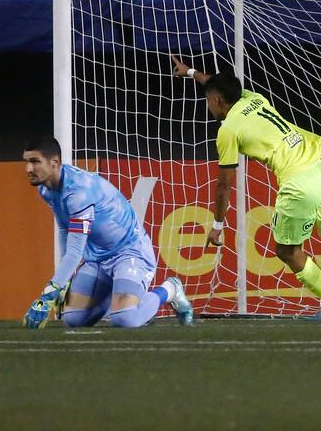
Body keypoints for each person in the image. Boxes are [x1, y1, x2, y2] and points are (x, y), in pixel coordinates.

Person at [171, 56, 321, 320]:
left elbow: (224, 185)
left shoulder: (228, 130)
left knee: (287, 251)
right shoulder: (252, 98)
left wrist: (217, 225)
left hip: (298, 184)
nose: (209, 105)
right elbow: (218, 84)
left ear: (216, 100)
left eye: (208, 100)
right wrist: (191, 72)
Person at [22, 136, 193, 329]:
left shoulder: (78, 193)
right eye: (26, 162)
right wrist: (64, 280)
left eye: (35, 162)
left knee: (125, 319)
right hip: (97, 259)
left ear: (54, 162)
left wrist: (48, 295)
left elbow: (75, 252)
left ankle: (170, 289)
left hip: (129, 252)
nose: (28, 169)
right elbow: (64, 228)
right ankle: (119, 298)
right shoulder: (46, 189)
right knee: (74, 320)